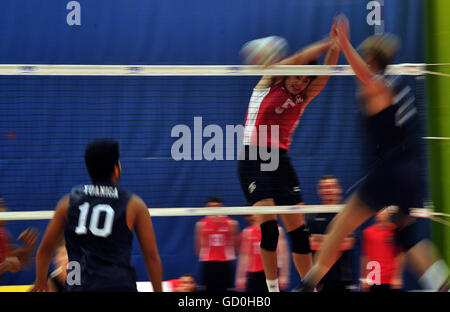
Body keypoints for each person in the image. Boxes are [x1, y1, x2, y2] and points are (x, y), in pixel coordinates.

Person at [297, 15, 450, 292]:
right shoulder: (399, 83)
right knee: (409, 237)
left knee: (338, 228)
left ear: (369, 56)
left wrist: (343, 43)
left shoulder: (380, 86)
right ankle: (442, 284)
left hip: (389, 172)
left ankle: (309, 284)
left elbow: (367, 79)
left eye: (364, 55)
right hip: (410, 173)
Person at [238, 21, 341, 292]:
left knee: (300, 235)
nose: (298, 82)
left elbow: (327, 71)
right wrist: (326, 42)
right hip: (253, 160)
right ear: (287, 73)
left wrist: (337, 46)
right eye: (295, 76)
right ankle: (272, 290)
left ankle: (311, 288)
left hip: (281, 162)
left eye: (304, 79)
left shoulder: (303, 97)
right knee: (270, 231)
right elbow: (297, 59)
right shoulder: (270, 80)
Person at [32, 139, 163, 292]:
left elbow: (45, 249)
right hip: (117, 285)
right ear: (116, 169)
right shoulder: (134, 204)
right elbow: (151, 256)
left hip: (78, 285)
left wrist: (40, 280)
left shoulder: (67, 202)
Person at [306, 175, 356, 292]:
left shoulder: (348, 213)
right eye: (324, 187)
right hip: (319, 278)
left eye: (331, 187)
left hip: (343, 277)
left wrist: (320, 239)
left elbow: (348, 243)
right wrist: (337, 239)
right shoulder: (312, 215)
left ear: (338, 189)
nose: (328, 190)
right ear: (320, 191)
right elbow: (311, 243)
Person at [194, 196, 239, 292]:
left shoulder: (231, 223)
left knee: (227, 289)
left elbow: (234, 245)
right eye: (211, 206)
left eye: (216, 206)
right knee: (208, 289)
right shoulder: (201, 224)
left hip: (225, 263)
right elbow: (198, 248)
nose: (214, 209)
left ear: (221, 207)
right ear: (207, 208)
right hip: (209, 263)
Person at [235, 215, 290, 292]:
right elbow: (244, 256)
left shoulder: (277, 230)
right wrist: (241, 276)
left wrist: (283, 275)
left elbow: (284, 254)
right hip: (255, 275)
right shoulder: (248, 232)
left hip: (273, 272)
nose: (255, 216)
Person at [360, 208, 405, 292]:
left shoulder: (396, 231)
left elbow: (400, 255)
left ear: (388, 213)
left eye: (383, 210)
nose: (381, 213)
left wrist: (397, 277)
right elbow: (365, 256)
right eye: (379, 211)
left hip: (390, 279)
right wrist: (364, 277)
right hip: (373, 277)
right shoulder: (367, 232)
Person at [0, 199, 39, 276]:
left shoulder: (2, 234)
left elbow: (19, 262)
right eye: (0, 207)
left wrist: (28, 246)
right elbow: (9, 262)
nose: (4, 211)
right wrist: (6, 264)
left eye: (2, 206)